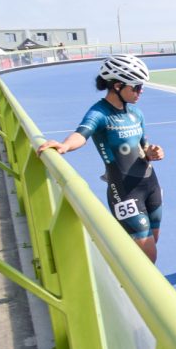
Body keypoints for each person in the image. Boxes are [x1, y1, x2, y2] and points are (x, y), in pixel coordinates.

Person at [38, 55, 165, 262]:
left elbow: (143, 147)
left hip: (151, 186)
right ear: (117, 86)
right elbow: (81, 134)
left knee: (148, 246)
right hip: (124, 191)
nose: (140, 91)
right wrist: (65, 145)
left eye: (141, 86)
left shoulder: (136, 113)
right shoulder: (99, 113)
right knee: (149, 254)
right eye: (136, 87)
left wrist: (152, 152)